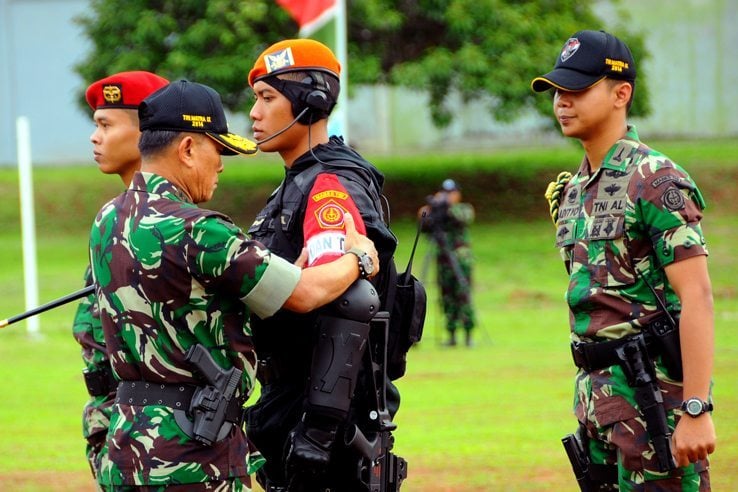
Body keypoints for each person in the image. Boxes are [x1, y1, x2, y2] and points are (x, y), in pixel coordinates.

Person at [88, 79, 379, 491]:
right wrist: (359, 257)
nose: (222, 166)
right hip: (193, 453)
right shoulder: (199, 230)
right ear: (188, 149)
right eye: (217, 150)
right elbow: (307, 293)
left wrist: (280, 275)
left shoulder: (107, 219)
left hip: (127, 446)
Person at [533, 30, 716, 490]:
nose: (562, 102)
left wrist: (696, 408)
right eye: (558, 90)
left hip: (656, 402)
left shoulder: (654, 179)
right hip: (600, 403)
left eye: (577, 90)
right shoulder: (574, 190)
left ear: (621, 93)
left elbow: (696, 296)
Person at [244, 39, 403, 490]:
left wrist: (318, 431)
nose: (254, 113)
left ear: (311, 101)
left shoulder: (330, 181)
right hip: (290, 400)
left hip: (323, 418)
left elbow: (346, 301)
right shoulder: (299, 181)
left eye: (267, 98)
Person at [72, 70, 169, 485]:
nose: (95, 138)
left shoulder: (168, 224)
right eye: (96, 125)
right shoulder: (113, 219)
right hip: (115, 423)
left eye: (107, 125)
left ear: (146, 133)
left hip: (159, 433)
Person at [418, 178, 476, 347]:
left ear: (458, 194)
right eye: (445, 193)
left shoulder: (463, 209)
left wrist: (446, 206)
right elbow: (425, 229)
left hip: (460, 259)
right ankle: (451, 335)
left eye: (451, 193)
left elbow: (463, 218)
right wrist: (425, 214)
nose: (448, 197)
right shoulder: (437, 212)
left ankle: (468, 335)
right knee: (447, 297)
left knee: (463, 295)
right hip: (443, 260)